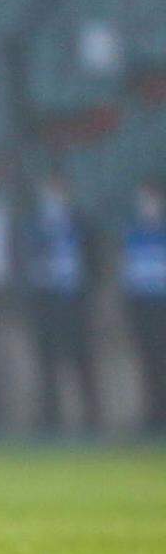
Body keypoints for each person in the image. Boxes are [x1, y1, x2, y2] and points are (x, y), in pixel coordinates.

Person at [20, 167, 98, 435]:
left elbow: (93, 258)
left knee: (80, 358)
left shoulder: (80, 220)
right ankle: (51, 419)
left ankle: (90, 418)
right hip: (45, 300)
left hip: (74, 299)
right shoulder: (34, 222)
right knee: (48, 360)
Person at [122, 176, 166, 435]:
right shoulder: (133, 233)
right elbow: (129, 274)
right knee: (147, 363)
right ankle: (153, 412)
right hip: (142, 309)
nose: (147, 204)